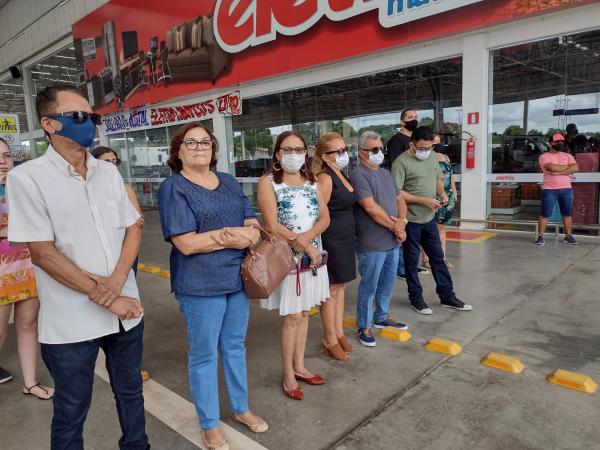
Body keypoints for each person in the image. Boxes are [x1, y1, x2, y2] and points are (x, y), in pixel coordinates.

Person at [7, 85, 147, 450]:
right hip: (71, 323)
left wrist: (118, 283)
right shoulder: (27, 178)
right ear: (50, 124)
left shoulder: (108, 172)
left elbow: (133, 227)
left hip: (126, 312)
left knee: (131, 393)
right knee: (71, 410)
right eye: (79, 117)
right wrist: (106, 297)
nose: (90, 124)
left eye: (93, 117)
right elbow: (43, 253)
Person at [158, 122, 267, 450]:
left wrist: (244, 235)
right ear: (179, 151)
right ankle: (208, 423)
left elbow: (253, 226)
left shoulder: (230, 182)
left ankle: (240, 408)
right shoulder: (173, 187)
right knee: (204, 354)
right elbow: (186, 244)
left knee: (235, 345)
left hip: (236, 279)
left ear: (213, 148)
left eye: (205, 141)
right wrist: (231, 237)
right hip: (199, 284)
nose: (199, 147)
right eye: (191, 143)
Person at [257, 131, 330, 400]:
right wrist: (303, 245)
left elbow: (324, 218)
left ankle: (299, 366)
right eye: (287, 150)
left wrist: (310, 243)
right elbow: (271, 224)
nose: (294, 155)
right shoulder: (268, 182)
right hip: (287, 259)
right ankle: (288, 372)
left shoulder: (311, 181)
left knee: (304, 314)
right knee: (292, 317)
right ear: (277, 154)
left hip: (312, 258)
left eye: (299, 149)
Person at [392, 126, 472, 315]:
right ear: (412, 144)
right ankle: (416, 299)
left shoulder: (432, 157)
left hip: (429, 219)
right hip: (410, 221)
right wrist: (423, 201)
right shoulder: (401, 163)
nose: (425, 151)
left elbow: (437, 178)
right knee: (412, 263)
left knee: (438, 258)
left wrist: (442, 193)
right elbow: (397, 193)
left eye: (429, 148)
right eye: (422, 148)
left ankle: (447, 296)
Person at [0, 137, 53, 398]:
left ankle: (30, 382)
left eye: (7, 156)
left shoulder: (23, 186)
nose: (3, 161)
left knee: (28, 324)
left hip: (27, 267)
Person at [349, 131, 408, 348]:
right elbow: (371, 208)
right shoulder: (358, 175)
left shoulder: (385, 173)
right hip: (372, 243)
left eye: (380, 148)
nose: (379, 152)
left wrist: (402, 222)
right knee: (369, 286)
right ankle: (364, 325)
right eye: (374, 149)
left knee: (387, 282)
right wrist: (397, 228)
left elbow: (400, 200)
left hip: (392, 241)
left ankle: (381, 316)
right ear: (361, 153)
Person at [313, 132, 356, 360]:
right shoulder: (325, 178)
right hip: (332, 240)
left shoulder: (341, 172)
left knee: (341, 288)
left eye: (345, 149)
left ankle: (339, 332)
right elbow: (320, 213)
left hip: (347, 239)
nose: (344, 154)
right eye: (338, 151)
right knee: (330, 290)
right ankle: (329, 338)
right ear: (325, 156)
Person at [91, 146, 144, 275]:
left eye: (114, 161)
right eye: (107, 162)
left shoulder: (125, 188)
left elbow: (138, 221)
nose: (112, 165)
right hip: (99, 251)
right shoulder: (90, 190)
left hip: (126, 247)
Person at [421, 135, 458, 269]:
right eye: (434, 141)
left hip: (447, 197)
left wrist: (454, 192)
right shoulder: (426, 157)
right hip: (432, 197)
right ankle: (426, 259)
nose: (436, 143)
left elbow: (451, 176)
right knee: (429, 231)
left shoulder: (446, 157)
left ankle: (442, 258)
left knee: (442, 230)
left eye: (438, 141)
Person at [535, 133, 579, 246]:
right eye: (557, 142)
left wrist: (559, 171)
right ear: (550, 143)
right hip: (550, 190)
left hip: (567, 189)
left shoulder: (567, 155)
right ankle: (540, 236)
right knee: (545, 213)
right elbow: (551, 168)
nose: (560, 144)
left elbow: (576, 168)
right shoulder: (544, 157)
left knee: (567, 213)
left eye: (561, 142)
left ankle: (568, 236)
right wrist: (568, 168)